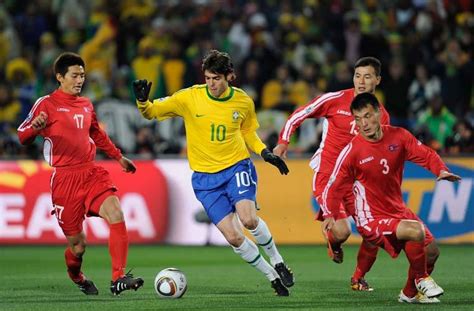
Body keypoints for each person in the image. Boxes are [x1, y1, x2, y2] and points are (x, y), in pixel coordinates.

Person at [133, 49, 294, 296]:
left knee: (248, 219)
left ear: (230, 76)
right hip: (205, 179)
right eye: (208, 78)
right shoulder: (189, 97)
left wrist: (264, 153)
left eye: (216, 78)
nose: (211, 84)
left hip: (236, 166)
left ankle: (278, 261)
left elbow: (248, 132)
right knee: (233, 237)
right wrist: (143, 102)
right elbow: (152, 112)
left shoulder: (243, 101)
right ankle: (271, 277)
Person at [17, 52, 144, 296]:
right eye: (75, 75)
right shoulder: (46, 104)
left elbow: (96, 133)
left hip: (91, 171)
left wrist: (118, 157)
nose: (80, 80)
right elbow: (22, 135)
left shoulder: (86, 104)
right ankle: (77, 276)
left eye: (82, 76)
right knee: (78, 246)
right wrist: (35, 128)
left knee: (116, 212)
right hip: (65, 179)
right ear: (59, 77)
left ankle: (118, 277)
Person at [322, 92, 461, 303]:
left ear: (379, 112)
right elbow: (334, 186)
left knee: (432, 252)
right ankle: (422, 279)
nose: (364, 124)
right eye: (358, 119)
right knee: (415, 231)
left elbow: (426, 154)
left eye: (368, 116)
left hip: (397, 209)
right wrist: (330, 214)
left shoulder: (399, 136)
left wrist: (440, 170)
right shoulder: (352, 151)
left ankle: (409, 294)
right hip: (370, 217)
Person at [274, 57, 389, 291]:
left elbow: (380, 151)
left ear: (377, 80)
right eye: (358, 76)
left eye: (368, 76)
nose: (361, 81)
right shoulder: (335, 100)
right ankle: (334, 242)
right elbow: (299, 114)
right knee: (343, 231)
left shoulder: (382, 116)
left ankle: (358, 278)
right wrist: (283, 142)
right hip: (329, 176)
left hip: (358, 181)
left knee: (374, 232)